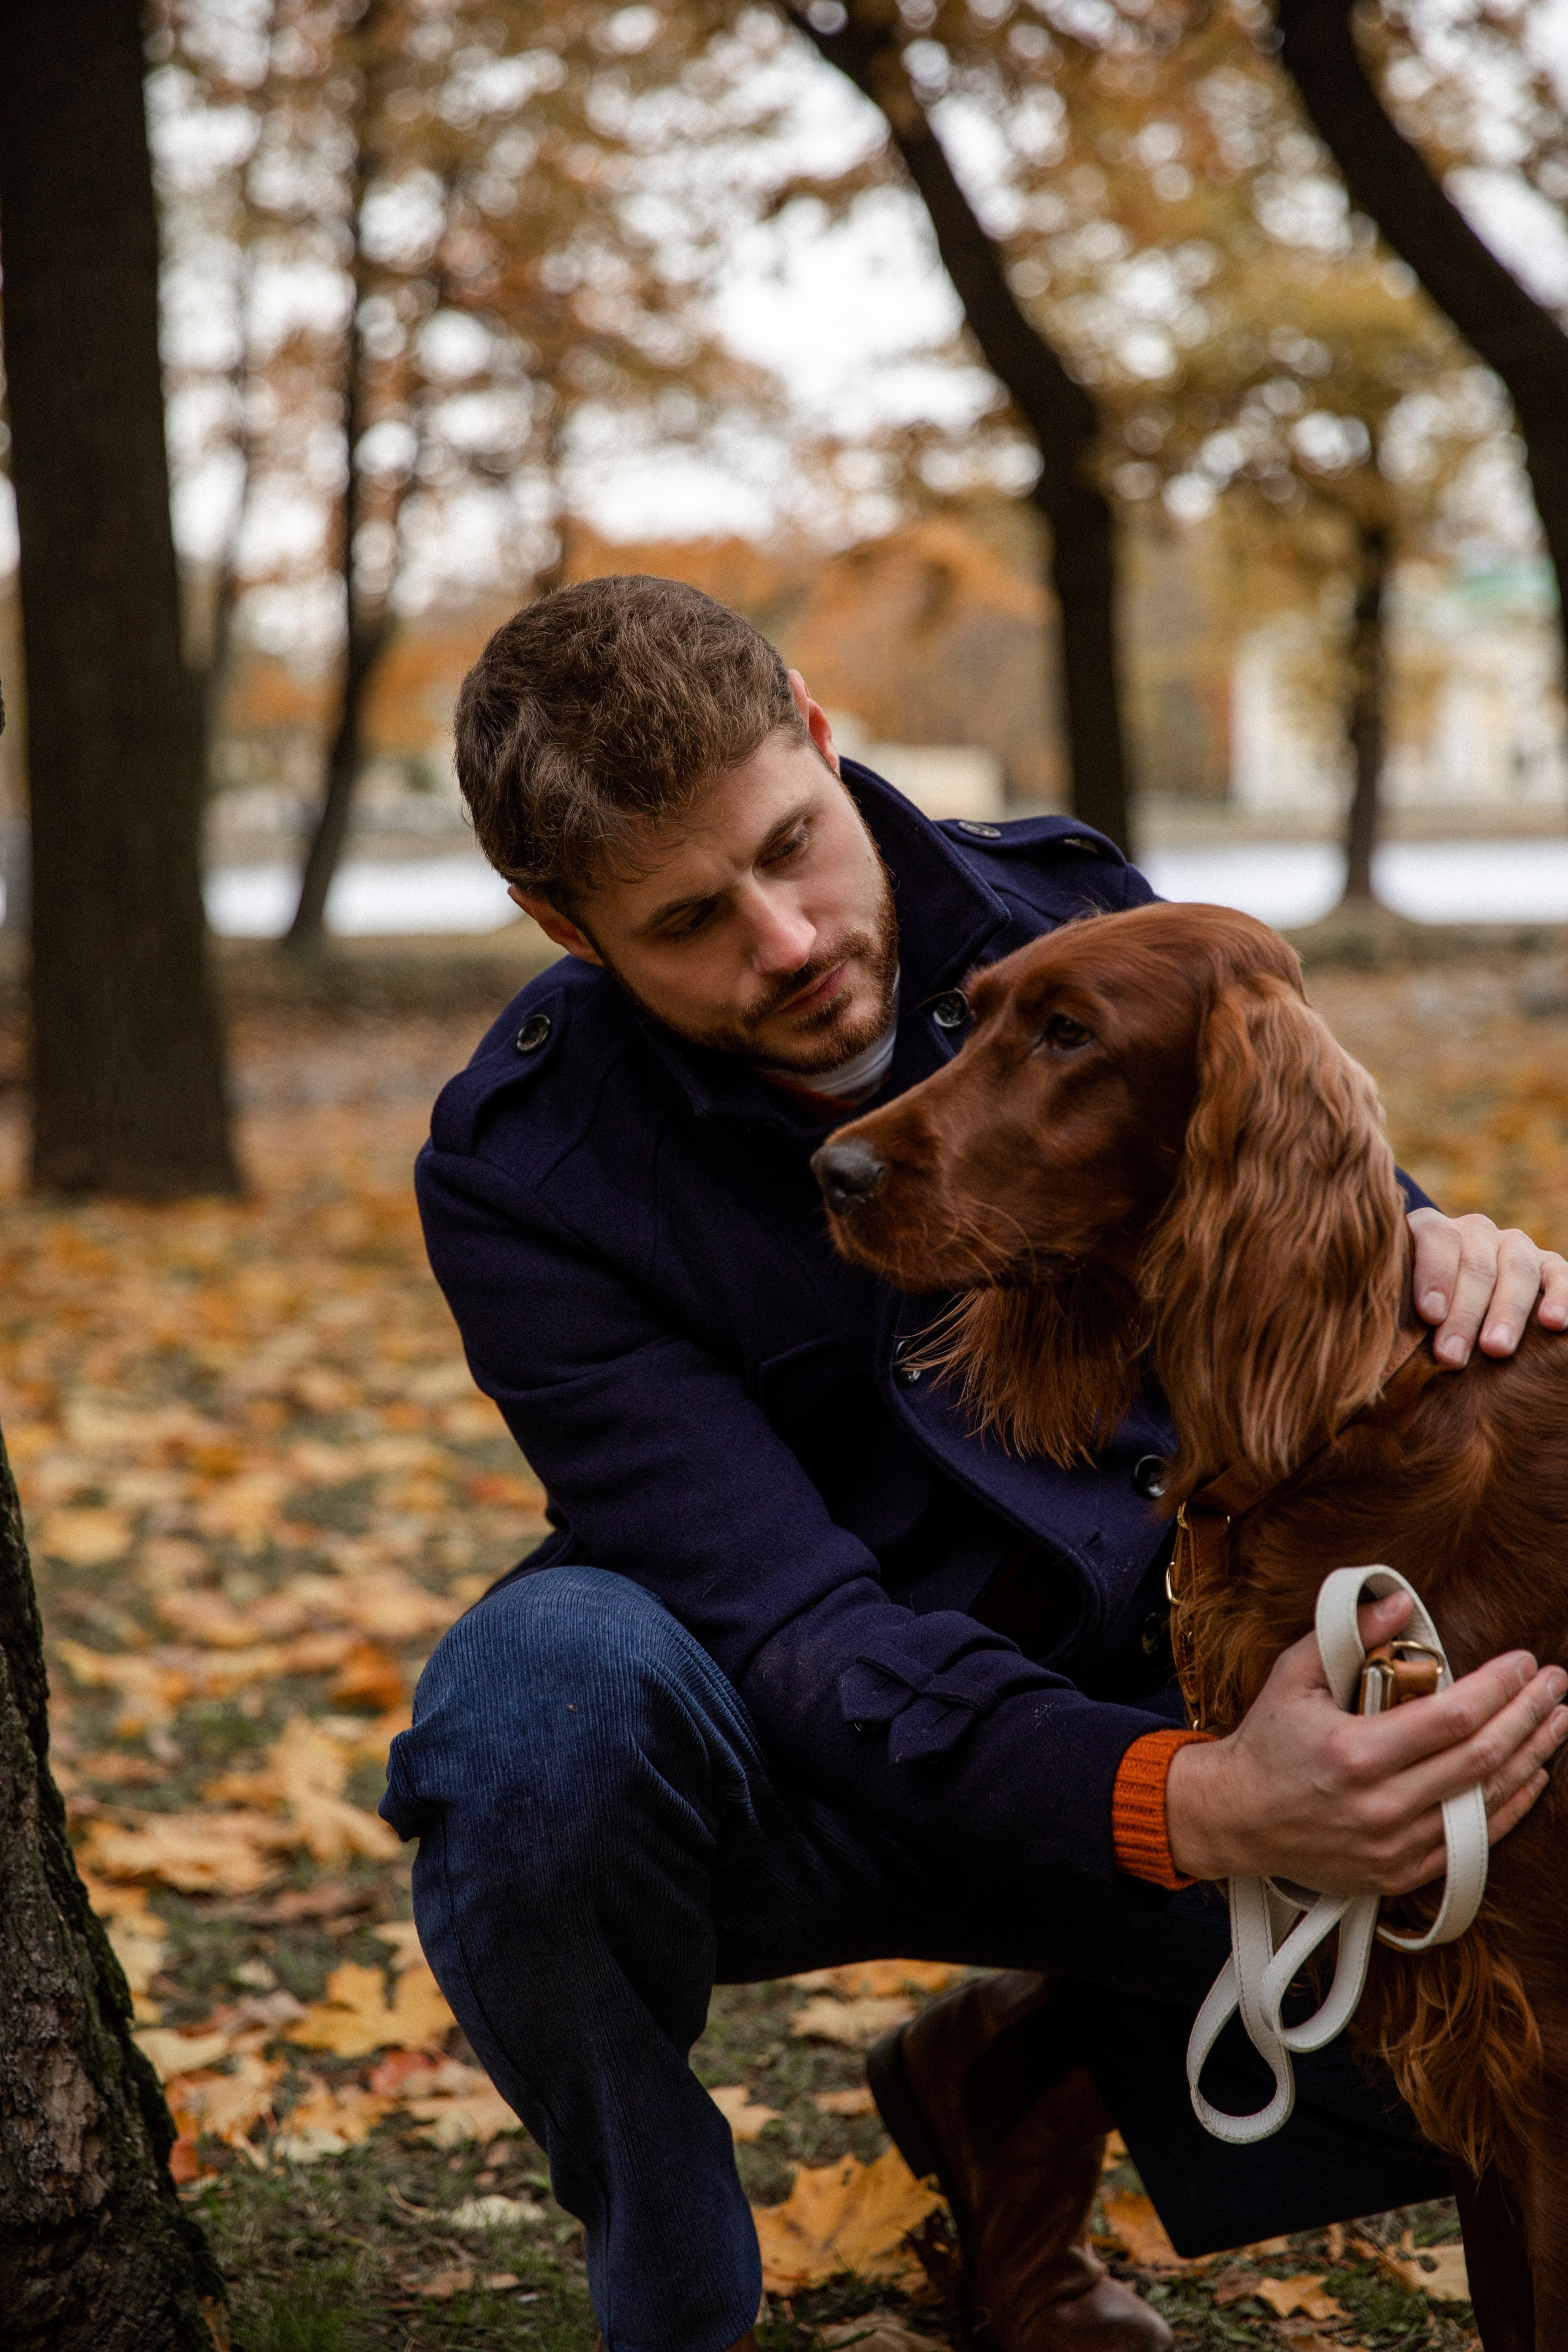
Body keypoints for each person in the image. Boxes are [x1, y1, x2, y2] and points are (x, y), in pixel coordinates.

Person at [380, 575, 1568, 2352]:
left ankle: (1012, 2074)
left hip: (1170, 1686)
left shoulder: (1071, 914)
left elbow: (1316, 1273)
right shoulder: (523, 1168)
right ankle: (678, 2307)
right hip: (809, 1760)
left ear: (817, 729)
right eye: (694, 918)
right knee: (531, 1721)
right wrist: (1202, 1806)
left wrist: (1462, 1258)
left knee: (1503, 2018)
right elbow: (786, 1624)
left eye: (795, 844)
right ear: (558, 921)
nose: (785, 941)